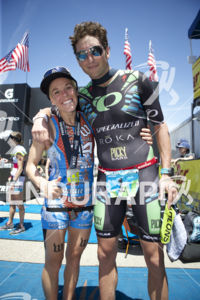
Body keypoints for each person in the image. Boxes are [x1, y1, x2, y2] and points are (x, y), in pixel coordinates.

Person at [31, 22, 178, 300]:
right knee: (104, 253)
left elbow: (161, 126)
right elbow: (56, 106)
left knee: (154, 256)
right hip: (107, 178)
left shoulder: (139, 80)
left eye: (94, 51)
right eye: (81, 55)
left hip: (144, 173)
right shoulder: (82, 95)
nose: (89, 59)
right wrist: (39, 117)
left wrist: (167, 173)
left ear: (108, 50)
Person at [26, 67, 95, 300]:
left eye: (68, 88)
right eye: (56, 92)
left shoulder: (89, 120)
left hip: (84, 202)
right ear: (51, 98)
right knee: (53, 262)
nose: (64, 94)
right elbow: (29, 166)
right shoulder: (46, 125)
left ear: (75, 89)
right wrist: (40, 182)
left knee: (74, 259)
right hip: (55, 202)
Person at [0, 131, 27, 234]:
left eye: (11, 139)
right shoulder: (17, 149)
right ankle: (10, 223)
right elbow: (16, 163)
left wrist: (13, 181)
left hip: (18, 179)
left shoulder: (20, 150)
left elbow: (20, 168)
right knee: (11, 203)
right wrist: (9, 161)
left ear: (15, 140)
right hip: (14, 178)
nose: (10, 141)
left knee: (19, 204)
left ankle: (21, 226)